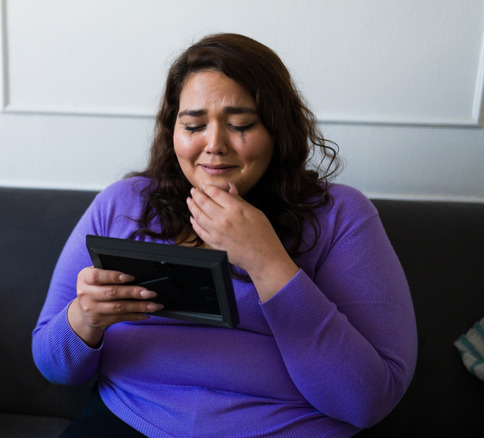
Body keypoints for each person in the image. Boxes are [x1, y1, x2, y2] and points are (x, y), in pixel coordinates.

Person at [32, 33, 417, 437]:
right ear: (173, 131)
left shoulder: (340, 215)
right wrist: (83, 319)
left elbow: (369, 400)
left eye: (240, 125)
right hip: (129, 417)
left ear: (276, 130)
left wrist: (267, 260)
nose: (213, 145)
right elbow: (52, 364)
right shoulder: (122, 204)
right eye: (194, 125)